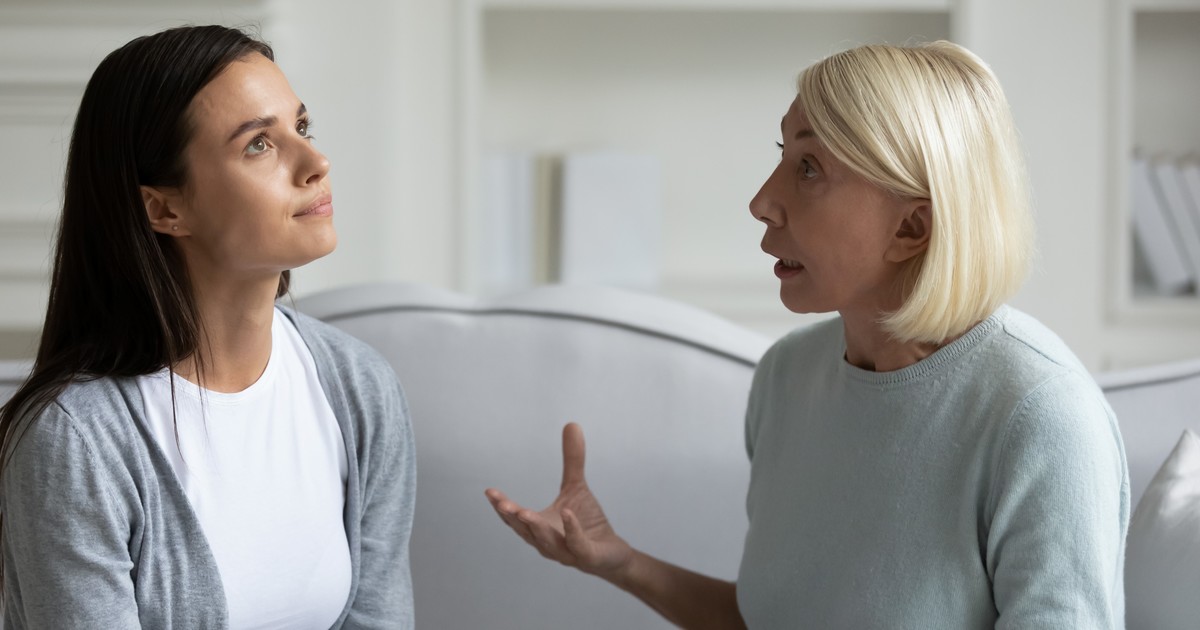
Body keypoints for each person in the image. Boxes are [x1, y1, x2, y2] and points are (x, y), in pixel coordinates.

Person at [485, 40, 1128, 628]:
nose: (762, 202)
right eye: (783, 157)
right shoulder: (786, 377)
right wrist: (619, 561)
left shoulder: (1043, 418)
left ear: (912, 228)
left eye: (810, 167)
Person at [0, 25, 415, 629]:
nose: (316, 163)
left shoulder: (360, 387)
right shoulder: (77, 441)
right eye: (259, 145)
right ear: (164, 208)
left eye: (301, 128)